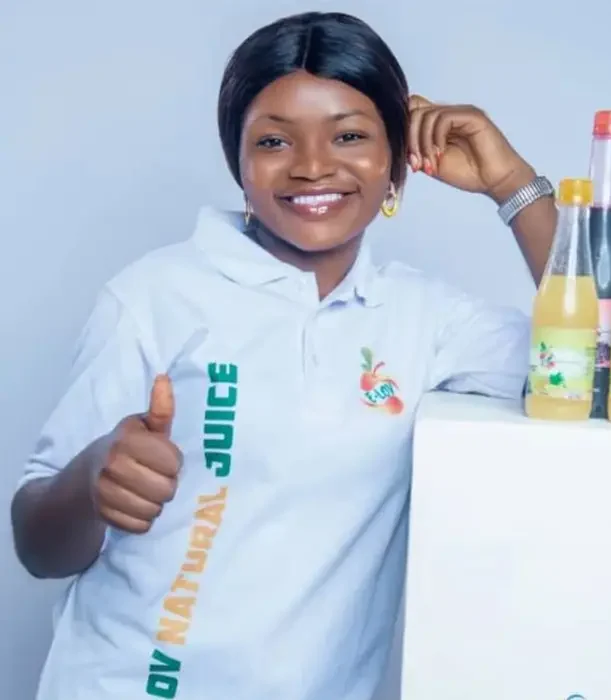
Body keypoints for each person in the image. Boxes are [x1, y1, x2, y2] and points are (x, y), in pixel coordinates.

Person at [11, 11, 557, 700]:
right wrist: (92, 479)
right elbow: (36, 543)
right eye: (273, 140)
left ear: (398, 164)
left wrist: (514, 185)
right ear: (238, 163)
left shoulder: (426, 321)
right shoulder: (155, 295)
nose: (312, 166)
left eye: (350, 135)